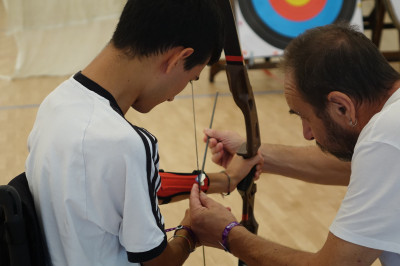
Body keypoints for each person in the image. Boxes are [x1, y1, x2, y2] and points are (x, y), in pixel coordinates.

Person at [25, 0, 263, 265]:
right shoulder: (125, 144)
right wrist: (191, 232)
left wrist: (227, 180)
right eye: (191, 78)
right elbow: (159, 263)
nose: (174, 97)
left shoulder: (55, 102)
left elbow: (124, 187)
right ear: (177, 58)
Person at [189, 23, 400, 265]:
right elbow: (355, 167)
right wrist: (254, 152)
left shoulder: (384, 139)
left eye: (305, 117)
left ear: (342, 106)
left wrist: (226, 234)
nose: (306, 134)